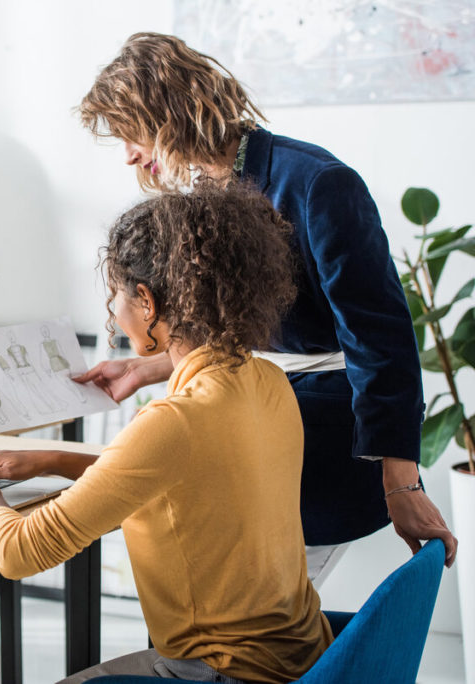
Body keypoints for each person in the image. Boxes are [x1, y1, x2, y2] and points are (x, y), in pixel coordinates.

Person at [72, 32, 455, 564]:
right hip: (264, 408)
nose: (130, 155)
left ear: (166, 112)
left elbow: (381, 340)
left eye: (130, 134)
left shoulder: (320, 184)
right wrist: (148, 369)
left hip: (326, 426)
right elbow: (239, 329)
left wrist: (402, 483)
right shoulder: (205, 194)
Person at [0, 184, 331, 683]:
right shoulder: (267, 380)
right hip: (305, 659)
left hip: (228, 672)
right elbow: (188, 483)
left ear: (147, 301)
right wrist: (51, 461)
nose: (113, 309)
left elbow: (19, 551)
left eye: (115, 293)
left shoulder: (174, 423)